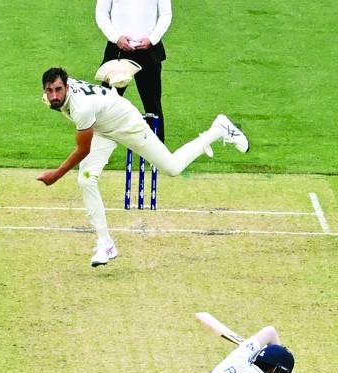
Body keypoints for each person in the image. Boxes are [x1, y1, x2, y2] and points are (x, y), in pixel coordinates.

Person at [37, 67, 249, 267]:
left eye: (58, 90)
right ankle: (106, 244)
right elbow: (70, 101)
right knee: (85, 179)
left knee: (172, 168)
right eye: (49, 91)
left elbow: (82, 150)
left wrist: (56, 175)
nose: (54, 95)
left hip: (127, 124)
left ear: (66, 86)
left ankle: (219, 129)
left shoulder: (81, 109)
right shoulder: (62, 93)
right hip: (102, 128)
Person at [96, 0, 171, 142]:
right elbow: (101, 13)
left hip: (148, 52)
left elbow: (166, 14)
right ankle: (99, 150)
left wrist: (152, 39)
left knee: (152, 104)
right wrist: (116, 37)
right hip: (117, 50)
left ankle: (158, 155)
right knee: (106, 103)